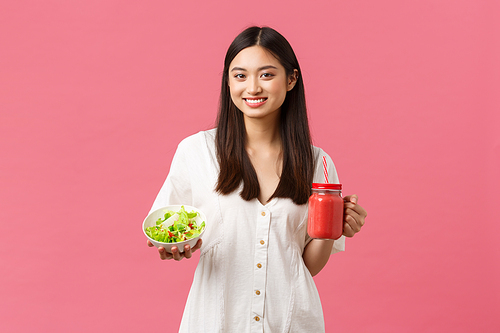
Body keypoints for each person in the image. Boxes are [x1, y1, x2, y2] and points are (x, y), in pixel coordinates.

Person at [147, 26, 367, 332]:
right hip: (216, 321)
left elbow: (305, 267)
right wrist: (175, 245)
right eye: (240, 76)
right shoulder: (196, 152)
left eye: (266, 75)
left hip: (290, 322)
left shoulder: (319, 163)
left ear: (291, 79)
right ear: (228, 81)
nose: (252, 88)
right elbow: (171, 226)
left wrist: (334, 226)